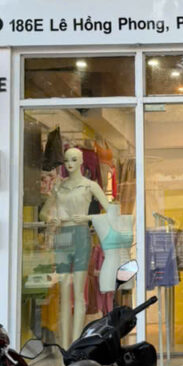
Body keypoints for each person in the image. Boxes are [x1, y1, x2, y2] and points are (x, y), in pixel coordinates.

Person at [40, 146, 111, 344]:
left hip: (80, 235)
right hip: (62, 236)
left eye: (73, 160)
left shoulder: (90, 186)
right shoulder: (59, 187)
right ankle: (65, 346)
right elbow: (43, 212)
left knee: (79, 293)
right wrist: (51, 219)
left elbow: (111, 211)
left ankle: (76, 344)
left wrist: (87, 217)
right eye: (67, 160)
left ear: (81, 162)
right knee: (64, 292)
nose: (69, 164)